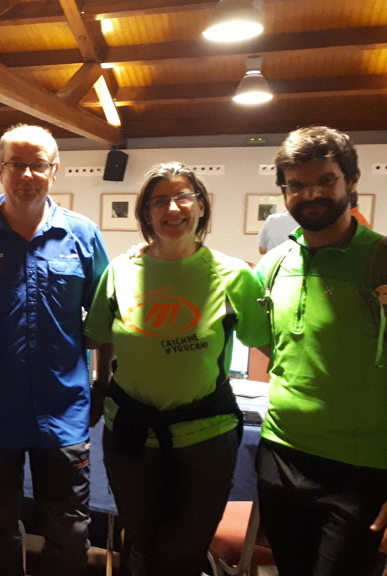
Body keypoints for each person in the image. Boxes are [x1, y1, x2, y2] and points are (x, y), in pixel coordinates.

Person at [83, 163, 269, 576]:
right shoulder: (121, 270)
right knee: (140, 548)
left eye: (184, 196)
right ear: (146, 213)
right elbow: (98, 337)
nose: (173, 208)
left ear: (201, 206)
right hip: (131, 433)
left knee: (185, 553)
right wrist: (101, 386)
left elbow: (269, 344)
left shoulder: (234, 275)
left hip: (206, 436)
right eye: (160, 201)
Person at [0, 124, 110, 576]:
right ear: (0, 170)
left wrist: (103, 384)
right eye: (17, 164)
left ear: (55, 170)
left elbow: (105, 321)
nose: (27, 175)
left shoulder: (83, 235)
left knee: (69, 531)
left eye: (38, 165)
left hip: (65, 412)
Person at [255, 125, 387, 575]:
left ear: (352, 180)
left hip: (363, 471)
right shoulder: (273, 266)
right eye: (297, 185)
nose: (311, 194)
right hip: (280, 456)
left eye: (326, 180)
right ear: (284, 191)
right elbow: (271, 346)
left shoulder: (384, 260)